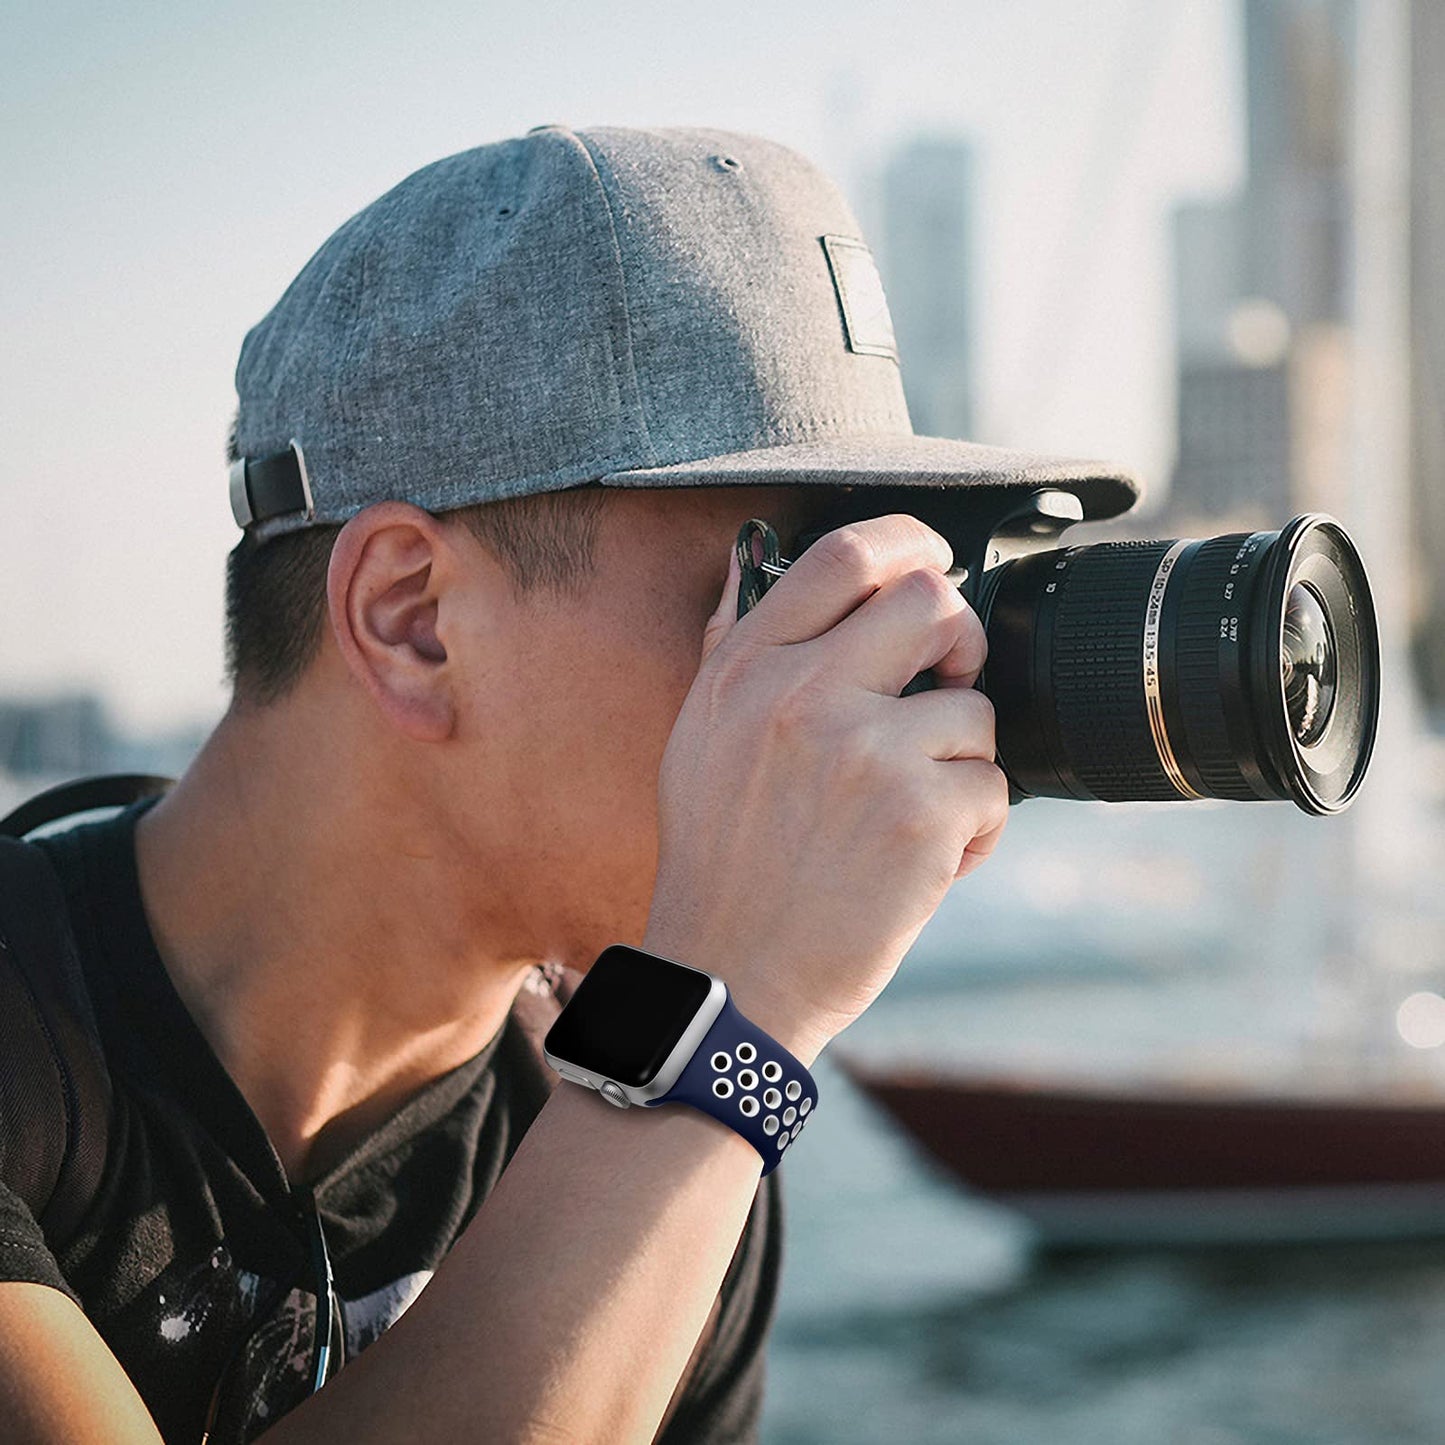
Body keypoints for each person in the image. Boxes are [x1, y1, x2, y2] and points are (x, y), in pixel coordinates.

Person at [0, 124, 1137, 1444]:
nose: (856, 691)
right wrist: (723, 1036)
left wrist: (696, 1072)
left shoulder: (643, 1135)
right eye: (777, 598)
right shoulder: (673, 1106)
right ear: (412, 618)